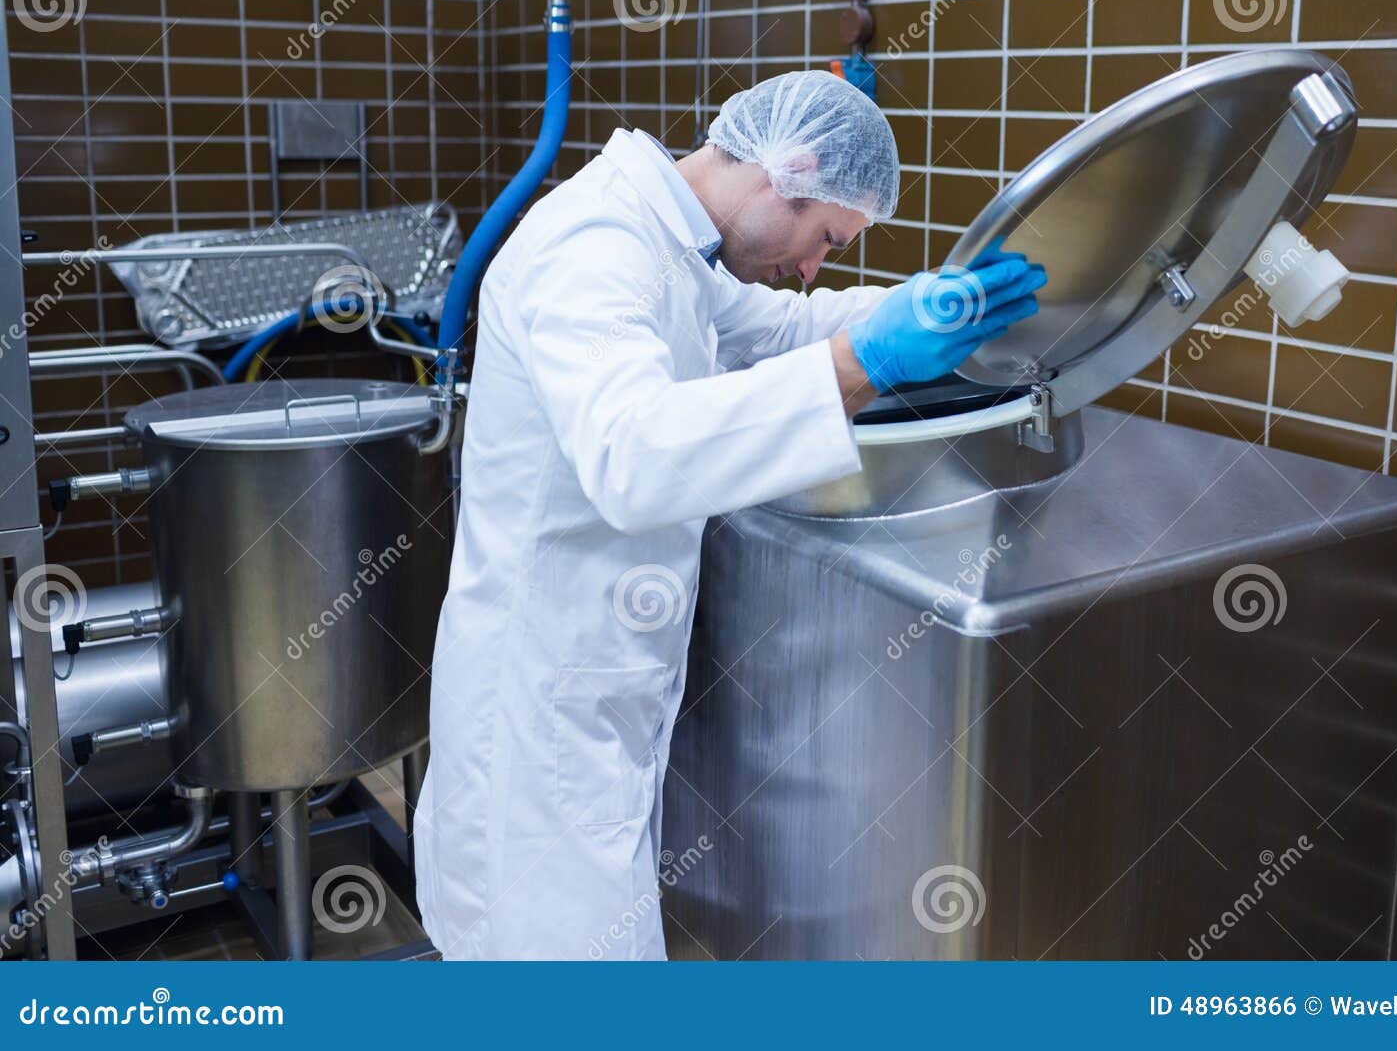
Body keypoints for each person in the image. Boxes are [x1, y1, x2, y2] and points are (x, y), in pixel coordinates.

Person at [415, 70, 1045, 959]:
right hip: (538, 711)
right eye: (825, 238)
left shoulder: (677, 245)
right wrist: (863, 365)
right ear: (789, 171)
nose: (814, 267)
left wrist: (934, 304)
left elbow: (781, 328)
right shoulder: (596, 243)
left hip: (593, 694)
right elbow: (632, 453)